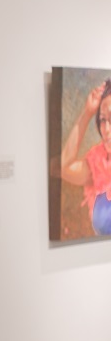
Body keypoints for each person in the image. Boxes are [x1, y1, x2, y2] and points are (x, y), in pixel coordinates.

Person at [60, 79, 111, 234]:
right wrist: (88, 112)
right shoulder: (98, 167)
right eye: (103, 120)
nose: (107, 129)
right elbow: (64, 167)